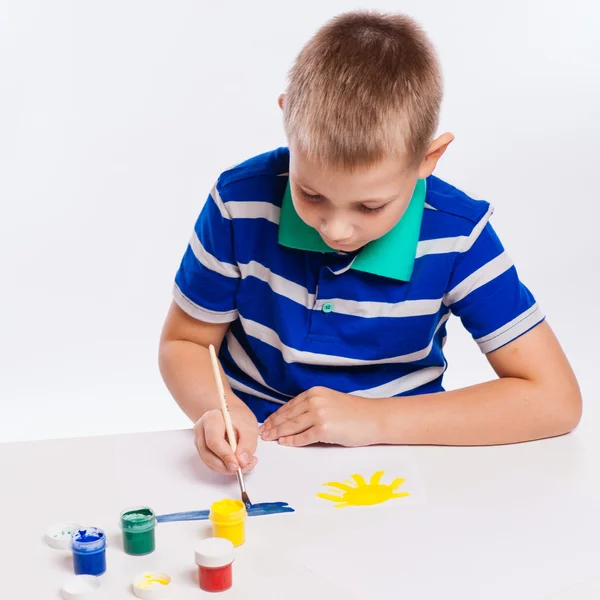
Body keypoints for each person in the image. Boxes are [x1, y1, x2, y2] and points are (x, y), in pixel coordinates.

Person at [158, 10, 581, 476]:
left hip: (402, 462)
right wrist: (218, 409)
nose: (336, 230)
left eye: (370, 207)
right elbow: (185, 342)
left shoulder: (458, 233)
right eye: (312, 194)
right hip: (263, 459)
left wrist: (373, 419)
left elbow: (554, 398)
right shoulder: (240, 201)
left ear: (428, 159)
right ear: (287, 124)